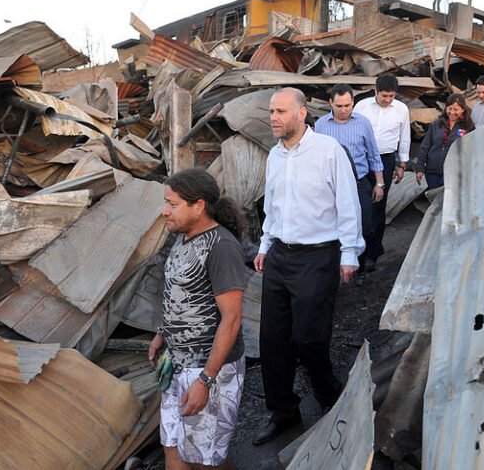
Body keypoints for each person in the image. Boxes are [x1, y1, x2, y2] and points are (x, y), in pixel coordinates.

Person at [252, 87, 364, 445]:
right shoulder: (274, 155)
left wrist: (350, 252)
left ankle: (330, 396)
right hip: (279, 255)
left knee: (309, 338)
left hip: (317, 256)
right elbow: (271, 207)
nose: (274, 118)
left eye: (281, 111)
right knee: (273, 339)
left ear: (302, 113)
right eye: (272, 111)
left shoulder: (329, 151)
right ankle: (284, 411)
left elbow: (348, 203)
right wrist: (265, 245)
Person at [148, 168, 248, 470]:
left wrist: (206, 380)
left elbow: (232, 319)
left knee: (207, 461)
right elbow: (180, 293)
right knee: (173, 449)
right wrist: (163, 332)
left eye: (173, 204)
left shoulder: (222, 247)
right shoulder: (182, 238)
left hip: (208, 369)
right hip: (176, 363)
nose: (165, 212)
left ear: (199, 206)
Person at [315, 83, 384, 287]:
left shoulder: (363, 123)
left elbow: (373, 154)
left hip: (359, 182)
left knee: (364, 226)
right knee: (332, 227)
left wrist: (379, 183)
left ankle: (359, 267)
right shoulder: (321, 125)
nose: (344, 110)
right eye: (339, 106)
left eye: (347, 105)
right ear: (330, 103)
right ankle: (335, 269)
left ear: (353, 102)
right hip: (331, 187)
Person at [353, 74, 411, 272]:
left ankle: (374, 252)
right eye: (384, 95)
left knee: (379, 206)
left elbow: (405, 137)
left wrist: (402, 164)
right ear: (375, 91)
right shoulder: (361, 107)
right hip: (362, 160)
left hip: (386, 160)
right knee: (361, 205)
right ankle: (357, 251)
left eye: (391, 96)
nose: (387, 100)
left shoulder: (401, 109)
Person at [415, 94, 475, 189]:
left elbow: (470, 152)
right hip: (432, 172)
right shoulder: (436, 124)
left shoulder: (468, 127)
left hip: (453, 173)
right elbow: (425, 146)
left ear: (463, 110)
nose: (452, 112)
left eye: (456, 109)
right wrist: (419, 168)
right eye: (449, 109)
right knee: (433, 195)